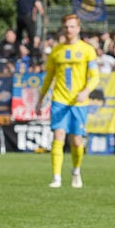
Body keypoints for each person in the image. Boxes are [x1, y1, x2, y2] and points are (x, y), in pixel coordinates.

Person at [36, 14, 99, 188]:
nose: (69, 30)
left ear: (78, 28)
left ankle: (76, 171)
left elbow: (95, 77)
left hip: (79, 102)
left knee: (77, 141)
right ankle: (56, 177)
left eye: (72, 27)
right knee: (58, 136)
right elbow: (49, 78)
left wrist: (86, 91)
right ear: (62, 29)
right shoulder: (56, 51)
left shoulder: (87, 50)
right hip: (59, 100)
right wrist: (40, 100)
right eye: (66, 27)